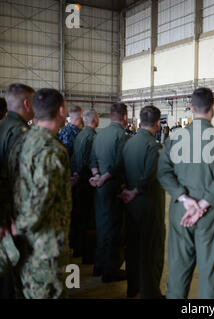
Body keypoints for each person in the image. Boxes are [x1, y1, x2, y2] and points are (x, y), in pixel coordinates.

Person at [157, 87, 214, 299]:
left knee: (178, 266)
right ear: (213, 108)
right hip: (210, 213)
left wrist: (184, 198)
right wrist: (202, 205)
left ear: (191, 108)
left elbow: (163, 172)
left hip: (180, 210)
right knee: (210, 270)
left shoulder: (175, 137)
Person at [7, 88, 71, 299]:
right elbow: (41, 201)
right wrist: (21, 226)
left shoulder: (21, 141)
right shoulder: (52, 149)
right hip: (45, 247)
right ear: (61, 110)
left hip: (24, 246)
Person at [120, 106, 165, 299]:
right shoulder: (154, 146)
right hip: (149, 205)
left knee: (132, 247)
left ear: (139, 122)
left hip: (130, 205)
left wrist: (126, 191)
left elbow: (120, 168)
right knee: (151, 250)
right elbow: (149, 176)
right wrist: (136, 191)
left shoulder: (128, 143)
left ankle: (133, 288)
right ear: (157, 123)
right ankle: (151, 293)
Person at [0, 83, 35, 299]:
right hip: (13, 213)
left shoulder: (2, 126)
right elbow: (20, 179)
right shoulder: (20, 132)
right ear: (26, 103)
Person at [89, 103, 129, 282]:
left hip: (99, 188)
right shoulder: (122, 136)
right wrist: (105, 178)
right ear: (125, 117)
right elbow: (120, 164)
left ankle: (98, 266)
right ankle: (110, 270)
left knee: (102, 226)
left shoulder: (99, 135)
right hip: (113, 188)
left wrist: (97, 176)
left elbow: (92, 159)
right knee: (115, 229)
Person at [71, 109, 99, 264]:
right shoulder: (93, 137)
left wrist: (75, 175)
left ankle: (77, 249)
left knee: (79, 217)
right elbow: (91, 161)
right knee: (89, 219)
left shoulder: (79, 135)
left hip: (78, 182)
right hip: (88, 182)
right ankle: (88, 256)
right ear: (95, 120)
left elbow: (75, 158)